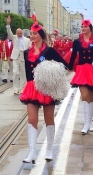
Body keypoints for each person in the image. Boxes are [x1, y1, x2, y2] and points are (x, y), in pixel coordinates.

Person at [20, 23, 70, 163]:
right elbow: (28, 74)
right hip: (31, 88)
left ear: (41, 35)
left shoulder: (49, 51)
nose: (32, 36)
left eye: (34, 33)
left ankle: (49, 150)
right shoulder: (26, 52)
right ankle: (31, 152)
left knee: (49, 119)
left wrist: (51, 70)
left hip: (46, 88)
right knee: (32, 119)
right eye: (31, 33)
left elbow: (64, 65)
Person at [6, 15, 31, 94]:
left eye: (20, 33)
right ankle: (15, 88)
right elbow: (9, 33)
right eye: (18, 33)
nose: (19, 34)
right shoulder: (14, 38)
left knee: (23, 74)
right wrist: (8, 24)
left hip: (23, 57)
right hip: (16, 56)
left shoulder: (27, 40)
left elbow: (30, 47)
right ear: (16, 33)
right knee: (15, 72)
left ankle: (22, 88)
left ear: (22, 33)